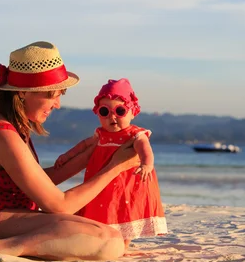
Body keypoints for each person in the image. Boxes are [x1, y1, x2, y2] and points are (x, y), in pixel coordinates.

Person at [0, 41, 140, 261]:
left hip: (3, 218)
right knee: (109, 242)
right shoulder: (0, 134)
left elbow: (35, 181)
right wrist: (117, 166)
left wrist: (93, 152)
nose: (58, 104)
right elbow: (59, 205)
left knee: (110, 235)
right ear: (22, 92)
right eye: (53, 95)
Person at [54, 78, 167, 245]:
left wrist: (146, 164)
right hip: (101, 180)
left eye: (120, 111)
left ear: (132, 112)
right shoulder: (101, 134)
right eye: (105, 112)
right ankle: (106, 239)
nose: (112, 117)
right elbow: (84, 145)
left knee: (123, 209)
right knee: (105, 209)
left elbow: (145, 148)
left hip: (126, 183)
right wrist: (67, 156)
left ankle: (124, 243)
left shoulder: (134, 134)